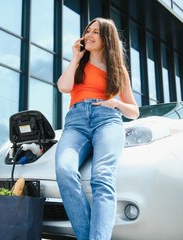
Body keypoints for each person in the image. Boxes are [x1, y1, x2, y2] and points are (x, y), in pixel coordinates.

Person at [55, 17, 139, 240]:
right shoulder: (79, 63)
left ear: (107, 39)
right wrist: (75, 57)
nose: (88, 35)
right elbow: (63, 87)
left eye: (96, 32)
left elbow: (134, 111)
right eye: (87, 31)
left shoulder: (117, 70)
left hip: (107, 119)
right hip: (76, 122)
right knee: (64, 170)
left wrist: (116, 103)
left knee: (102, 176)